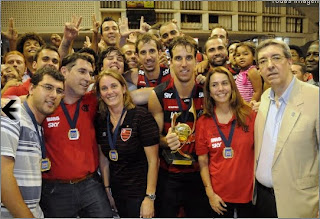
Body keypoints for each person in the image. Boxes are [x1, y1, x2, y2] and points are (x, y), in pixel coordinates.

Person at [40, 53, 113, 218]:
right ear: (64, 71)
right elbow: (16, 104)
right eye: (82, 71)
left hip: (90, 184)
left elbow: (132, 97)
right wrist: (6, 102)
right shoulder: (46, 102)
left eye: (90, 73)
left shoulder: (92, 100)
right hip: (55, 189)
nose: (88, 78)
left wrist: (156, 93)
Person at [148, 35, 212, 218]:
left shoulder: (208, 92)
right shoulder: (158, 95)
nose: (184, 64)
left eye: (189, 57)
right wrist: (166, 141)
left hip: (200, 174)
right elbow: (154, 140)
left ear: (196, 60)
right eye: (178, 58)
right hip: (169, 175)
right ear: (170, 62)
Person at [254, 39, 319, 218]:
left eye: (276, 58)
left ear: (290, 62)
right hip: (262, 200)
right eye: (262, 61)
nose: (270, 66)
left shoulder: (315, 98)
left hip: (300, 204)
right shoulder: (266, 97)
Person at [1, 66, 65, 218]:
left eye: (59, 91)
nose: (54, 95)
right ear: (31, 88)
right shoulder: (12, 113)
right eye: (48, 87)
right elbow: (2, 176)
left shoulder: (37, 124)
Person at [94, 70, 159, 218]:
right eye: (104, 88)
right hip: (117, 192)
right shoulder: (101, 120)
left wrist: (150, 197)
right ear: (100, 94)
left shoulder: (141, 117)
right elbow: (104, 159)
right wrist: (107, 189)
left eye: (114, 86)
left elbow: (153, 161)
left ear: (124, 88)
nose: (109, 92)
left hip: (140, 192)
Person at [195, 66, 255, 218]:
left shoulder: (250, 116)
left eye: (225, 83)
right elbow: (203, 162)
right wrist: (210, 194)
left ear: (232, 86)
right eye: (214, 85)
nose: (220, 89)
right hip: (219, 197)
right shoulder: (203, 122)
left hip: (249, 195)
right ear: (208, 91)